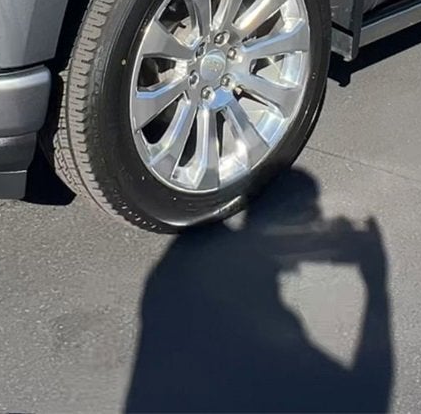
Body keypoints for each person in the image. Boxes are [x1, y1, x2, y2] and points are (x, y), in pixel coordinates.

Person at [125, 169, 393, 413]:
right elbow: (366, 399)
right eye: (309, 215)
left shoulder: (191, 263)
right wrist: (376, 284)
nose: (319, 221)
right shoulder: (254, 315)